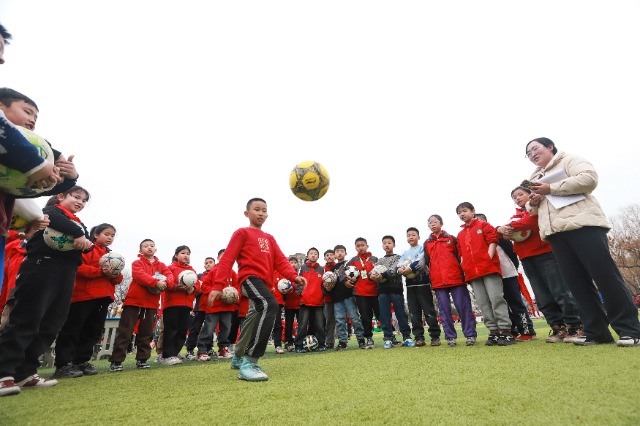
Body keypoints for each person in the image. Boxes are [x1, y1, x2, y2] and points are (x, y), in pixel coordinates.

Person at [525, 137, 640, 346]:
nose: (532, 154)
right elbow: (532, 209)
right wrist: (533, 201)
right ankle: (596, 332)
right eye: (528, 153)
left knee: (605, 277)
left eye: (535, 149)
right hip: (556, 233)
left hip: (584, 226)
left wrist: (551, 188)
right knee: (577, 284)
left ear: (550, 147)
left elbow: (589, 179)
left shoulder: (568, 160)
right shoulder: (535, 176)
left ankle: (630, 329)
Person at [0, 186, 92, 397]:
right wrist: (78, 234)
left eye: (84, 200)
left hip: (67, 272)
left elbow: (89, 243)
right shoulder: (52, 211)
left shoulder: (78, 223)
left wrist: (84, 239)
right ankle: (4, 372)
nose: (80, 202)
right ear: (61, 196)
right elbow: (53, 219)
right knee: (26, 319)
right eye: (75, 197)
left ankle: (25, 371)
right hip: (42, 267)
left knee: (52, 323)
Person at [208, 198, 307, 381]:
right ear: (247, 213)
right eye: (256, 209)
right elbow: (228, 259)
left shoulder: (269, 238)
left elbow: (281, 261)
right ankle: (250, 362)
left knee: (253, 318)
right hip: (249, 279)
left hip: (264, 284)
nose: (261, 213)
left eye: (264, 210)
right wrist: (218, 286)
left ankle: (237, 357)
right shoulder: (242, 233)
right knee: (270, 305)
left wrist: (294, 276)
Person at [498, 186, 583, 343]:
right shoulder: (514, 217)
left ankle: (575, 325)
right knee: (542, 296)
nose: (517, 198)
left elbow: (529, 222)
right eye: (514, 197)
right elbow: (508, 233)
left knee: (560, 291)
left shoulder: (538, 209)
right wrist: (503, 230)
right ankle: (558, 327)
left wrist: (504, 228)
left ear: (530, 195)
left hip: (546, 254)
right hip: (526, 258)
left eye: (520, 194)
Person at [52, 223, 123, 379]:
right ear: (96, 234)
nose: (110, 237)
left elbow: (117, 279)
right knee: (73, 330)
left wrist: (115, 274)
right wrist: (100, 271)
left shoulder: (112, 255)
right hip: (83, 296)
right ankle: (63, 364)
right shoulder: (86, 249)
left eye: (112, 235)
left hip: (103, 298)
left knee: (93, 331)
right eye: (106, 234)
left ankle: (81, 361)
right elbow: (78, 268)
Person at [109, 239, 174, 372]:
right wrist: (156, 282)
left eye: (152, 245)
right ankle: (116, 361)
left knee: (147, 332)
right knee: (125, 331)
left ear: (155, 249)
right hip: (134, 302)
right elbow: (139, 276)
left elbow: (170, 276)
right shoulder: (137, 263)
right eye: (145, 246)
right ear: (140, 251)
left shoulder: (161, 265)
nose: (149, 248)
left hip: (151, 304)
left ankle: (142, 359)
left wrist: (166, 283)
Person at [456, 202, 513, 346]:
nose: (462, 214)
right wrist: (465, 266)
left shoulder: (484, 226)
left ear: (473, 211)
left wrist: (488, 257)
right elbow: (461, 253)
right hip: (472, 273)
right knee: (482, 303)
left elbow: (492, 240)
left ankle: (505, 331)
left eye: (464, 211)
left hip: (489, 269)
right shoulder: (460, 234)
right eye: (459, 212)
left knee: (496, 298)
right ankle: (493, 331)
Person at [476, 213, 537, 341]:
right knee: (500, 304)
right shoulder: (477, 241)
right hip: (491, 278)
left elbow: (512, 253)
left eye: (480, 221)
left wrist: (513, 269)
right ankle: (511, 330)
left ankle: (527, 330)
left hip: (507, 274)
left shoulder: (499, 236)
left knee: (515, 302)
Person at [423, 215, 477, 346]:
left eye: (435, 222)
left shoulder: (451, 239)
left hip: (456, 278)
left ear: (441, 223)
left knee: (463, 306)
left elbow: (460, 257)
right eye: (430, 223)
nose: (432, 224)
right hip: (438, 281)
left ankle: (470, 335)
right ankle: (450, 337)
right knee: (444, 310)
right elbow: (427, 263)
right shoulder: (427, 243)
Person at [397, 228, 441, 347]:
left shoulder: (422, 248)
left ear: (418, 237)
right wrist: (400, 269)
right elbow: (399, 265)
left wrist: (410, 269)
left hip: (423, 284)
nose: (411, 237)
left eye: (413, 235)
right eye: (408, 235)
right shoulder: (405, 253)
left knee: (429, 311)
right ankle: (419, 337)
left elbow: (421, 262)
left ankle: (435, 336)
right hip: (410, 286)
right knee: (414, 313)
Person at [370, 235, 414, 348]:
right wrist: (373, 276)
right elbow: (372, 272)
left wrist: (383, 275)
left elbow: (395, 270)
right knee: (384, 315)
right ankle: (388, 338)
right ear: (382, 246)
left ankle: (407, 337)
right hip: (382, 291)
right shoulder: (379, 260)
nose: (387, 245)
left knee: (401, 314)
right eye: (384, 243)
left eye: (389, 243)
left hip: (396, 290)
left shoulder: (399, 258)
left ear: (394, 245)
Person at [197, 249, 238, 361]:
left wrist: (234, 294)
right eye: (223, 256)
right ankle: (202, 351)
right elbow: (204, 286)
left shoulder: (233, 273)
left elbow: (237, 287)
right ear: (219, 258)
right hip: (213, 307)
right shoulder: (213, 271)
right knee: (209, 328)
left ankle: (223, 349)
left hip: (228, 307)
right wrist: (217, 292)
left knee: (226, 329)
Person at [163, 245, 198, 365]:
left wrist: (193, 289)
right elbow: (167, 282)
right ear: (176, 255)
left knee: (182, 330)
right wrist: (176, 287)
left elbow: (198, 286)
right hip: (172, 304)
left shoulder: (192, 271)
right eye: (183, 253)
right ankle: (167, 355)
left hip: (186, 304)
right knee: (171, 329)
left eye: (188, 253)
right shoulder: (170, 268)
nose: (186, 256)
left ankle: (175, 352)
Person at [327, 244, 365, 350]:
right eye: (337, 251)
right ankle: (343, 341)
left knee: (354, 318)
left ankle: (361, 339)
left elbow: (357, 278)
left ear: (345, 253)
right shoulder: (332, 269)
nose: (339, 253)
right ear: (334, 255)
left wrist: (351, 282)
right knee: (340, 320)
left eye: (341, 251)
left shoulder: (350, 265)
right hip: (337, 298)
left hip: (349, 296)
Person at [347, 237, 379, 349]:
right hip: (360, 293)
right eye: (358, 246)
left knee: (381, 315)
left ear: (367, 246)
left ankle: (389, 336)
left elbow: (381, 270)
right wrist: (346, 281)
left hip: (375, 292)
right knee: (366, 317)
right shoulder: (352, 261)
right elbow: (342, 272)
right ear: (355, 247)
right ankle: (368, 338)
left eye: (362, 245)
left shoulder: (375, 259)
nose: (360, 248)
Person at [294, 247, 326, 353]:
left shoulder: (322, 269)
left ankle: (321, 344)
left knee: (320, 325)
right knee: (302, 325)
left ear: (318, 256)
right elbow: (297, 282)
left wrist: (322, 294)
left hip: (318, 302)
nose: (313, 255)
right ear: (307, 256)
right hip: (305, 301)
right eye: (311, 253)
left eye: (315, 254)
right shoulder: (302, 268)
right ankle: (298, 345)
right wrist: (301, 293)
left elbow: (325, 284)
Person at [185, 256, 214, 360]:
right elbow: (196, 290)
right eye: (206, 263)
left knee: (209, 329)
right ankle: (190, 349)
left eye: (210, 262)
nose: (208, 264)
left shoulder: (217, 276)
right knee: (195, 328)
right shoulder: (199, 276)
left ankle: (208, 348)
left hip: (211, 307)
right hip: (200, 307)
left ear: (214, 264)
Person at [282, 255, 301, 352]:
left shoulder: (300, 275)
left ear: (298, 264)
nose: (293, 264)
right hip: (289, 304)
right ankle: (288, 342)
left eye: (295, 262)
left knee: (300, 323)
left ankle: (300, 342)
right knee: (288, 324)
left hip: (299, 304)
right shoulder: (285, 276)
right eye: (291, 262)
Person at [322, 249, 336, 349]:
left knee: (341, 319)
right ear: (324, 258)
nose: (329, 256)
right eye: (327, 255)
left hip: (339, 298)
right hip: (327, 299)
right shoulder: (323, 269)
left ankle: (343, 340)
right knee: (329, 320)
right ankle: (329, 341)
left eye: (331, 255)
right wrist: (326, 290)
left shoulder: (338, 267)